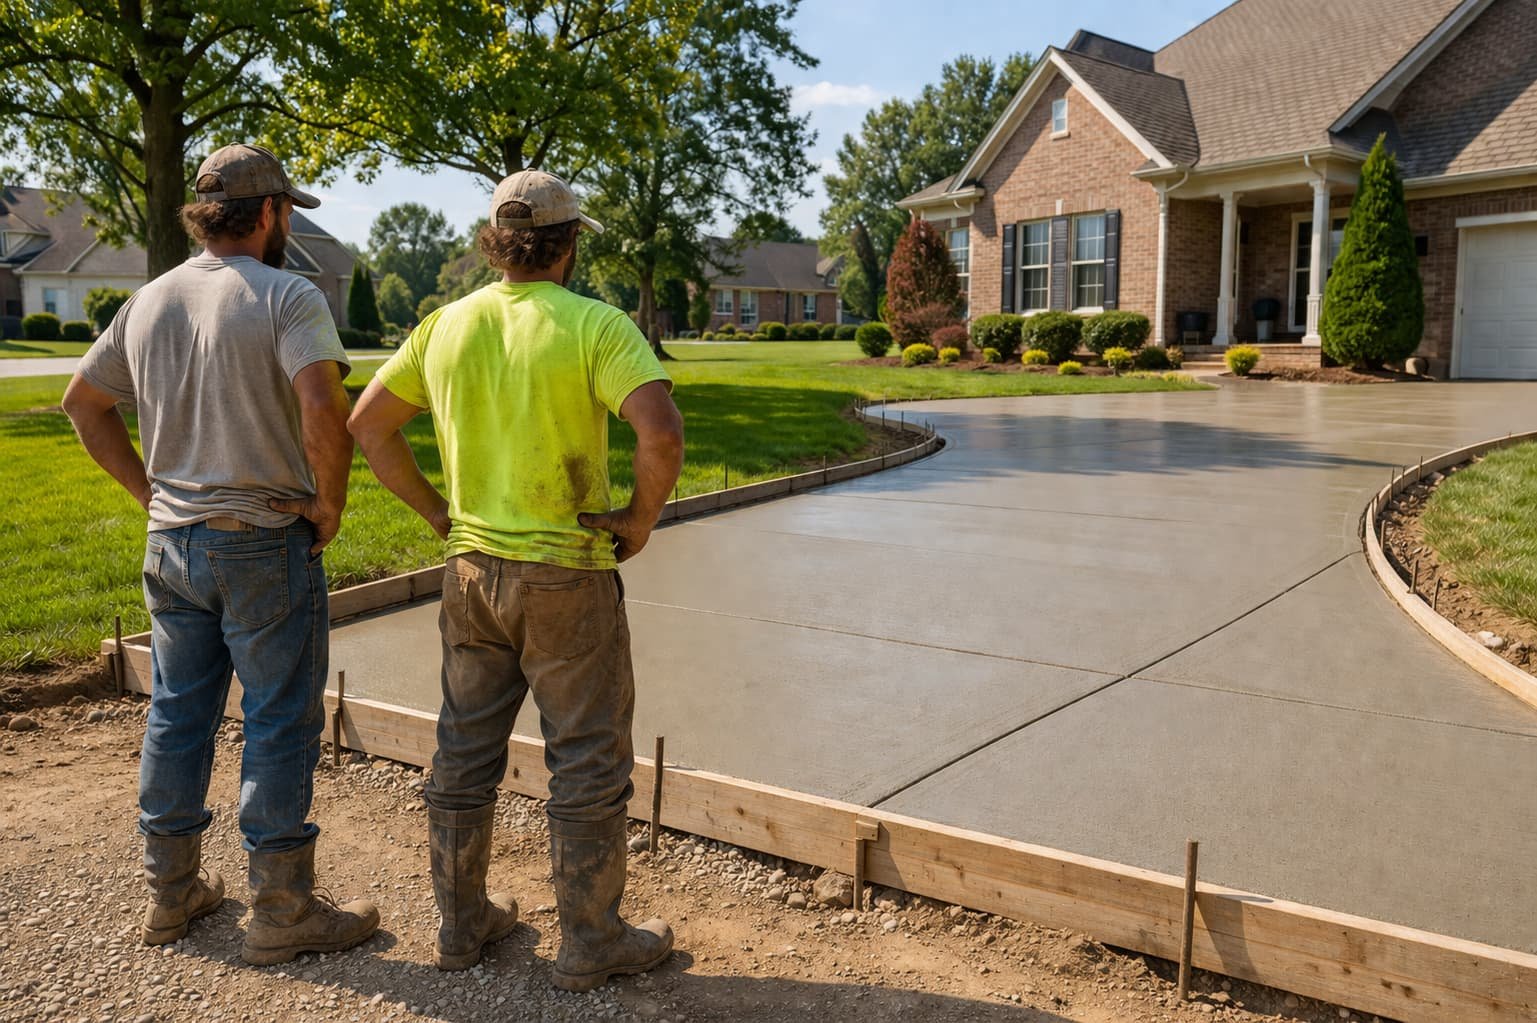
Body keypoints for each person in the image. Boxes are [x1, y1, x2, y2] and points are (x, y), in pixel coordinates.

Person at [348, 169, 685, 988]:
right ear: (569, 243)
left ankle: (461, 926)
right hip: (564, 572)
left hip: (471, 575)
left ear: (497, 243)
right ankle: (591, 938)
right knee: (586, 756)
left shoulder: (446, 325)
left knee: (462, 749)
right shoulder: (595, 326)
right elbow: (660, 431)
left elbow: (368, 425)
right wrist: (637, 520)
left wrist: (439, 516)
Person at [62, 144, 379, 965]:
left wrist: (149, 494)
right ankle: (280, 907)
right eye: (288, 213)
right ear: (270, 212)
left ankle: (172, 894)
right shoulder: (288, 293)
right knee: (277, 716)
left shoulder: (151, 298)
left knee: (176, 711)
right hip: (262, 539)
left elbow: (82, 402)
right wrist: (329, 503)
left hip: (171, 544)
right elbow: (322, 399)